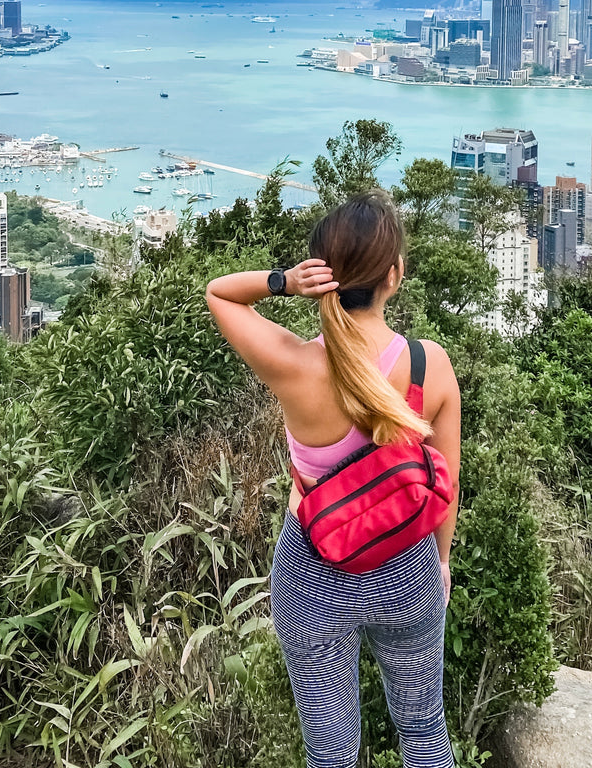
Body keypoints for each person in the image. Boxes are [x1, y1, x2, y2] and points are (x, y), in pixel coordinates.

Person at [205, 189, 460, 768]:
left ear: (324, 276)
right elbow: (447, 485)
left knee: (333, 752)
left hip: (312, 570)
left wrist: (285, 283)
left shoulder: (294, 365)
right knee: (424, 731)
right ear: (394, 275)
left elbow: (220, 293)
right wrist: (440, 565)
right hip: (408, 568)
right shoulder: (430, 366)